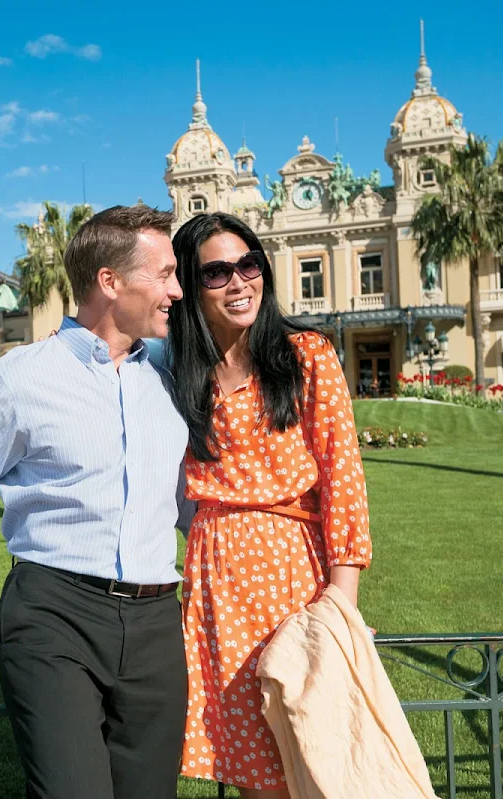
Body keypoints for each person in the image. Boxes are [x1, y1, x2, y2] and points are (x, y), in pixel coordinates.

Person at [0, 205, 191, 798]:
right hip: (54, 615)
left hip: (155, 622)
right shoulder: (18, 379)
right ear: (110, 281)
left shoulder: (170, 379)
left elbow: (186, 503)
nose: (177, 290)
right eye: (165, 274)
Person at [167, 213, 371, 797]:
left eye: (248, 264)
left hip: (293, 576)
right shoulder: (182, 373)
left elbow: (343, 476)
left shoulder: (305, 356)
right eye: (217, 272)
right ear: (189, 285)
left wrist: (342, 605)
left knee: (314, 750)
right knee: (255, 767)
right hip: (215, 582)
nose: (239, 282)